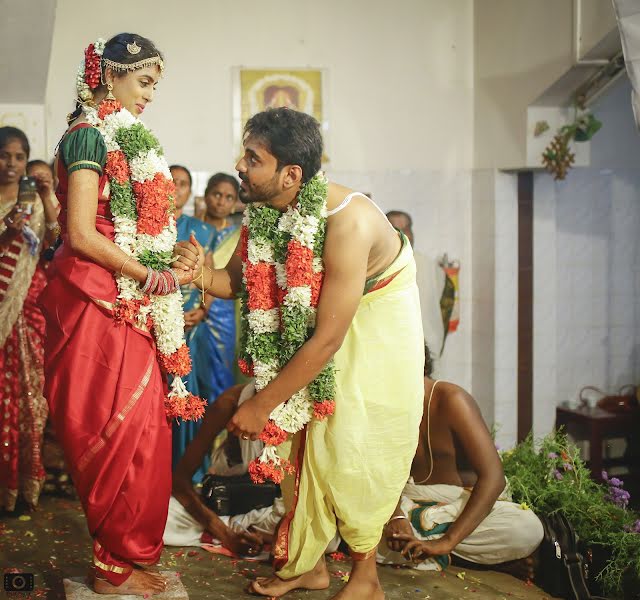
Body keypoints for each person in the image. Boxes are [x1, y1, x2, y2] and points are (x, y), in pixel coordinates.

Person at [191, 107, 424, 600]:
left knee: (349, 437)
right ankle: (309, 565)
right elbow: (233, 281)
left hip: (374, 324)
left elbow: (327, 340)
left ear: (290, 174)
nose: (240, 164)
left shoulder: (349, 221)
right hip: (330, 322)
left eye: (252, 158)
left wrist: (259, 403)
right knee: (302, 433)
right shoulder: (265, 210)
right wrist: (197, 274)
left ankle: (367, 577)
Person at [39, 34, 200, 596]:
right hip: (94, 299)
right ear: (110, 76)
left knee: (143, 427)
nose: (151, 94)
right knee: (113, 428)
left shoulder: (130, 140)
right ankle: (111, 571)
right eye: (145, 81)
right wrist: (147, 274)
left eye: (156, 83)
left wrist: (171, 264)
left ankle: (128, 555)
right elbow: (80, 233)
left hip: (128, 296)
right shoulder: (87, 137)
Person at [380, 344, 543, 570]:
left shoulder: (452, 399)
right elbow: (382, 477)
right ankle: (439, 551)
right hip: (410, 502)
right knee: (347, 519)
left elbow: (494, 479)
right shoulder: (385, 408)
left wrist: (447, 541)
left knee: (526, 529)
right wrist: (396, 518)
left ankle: (438, 548)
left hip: (462, 506)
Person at [0, 127, 59, 512]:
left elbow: (55, 242)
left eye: (19, 157)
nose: (11, 164)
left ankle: (23, 487)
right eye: (5, 155)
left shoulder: (34, 203)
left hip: (28, 305)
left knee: (29, 398)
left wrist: (47, 197)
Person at [169, 164, 216, 481]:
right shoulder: (147, 228)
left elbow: (209, 276)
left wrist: (202, 310)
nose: (177, 188)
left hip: (193, 328)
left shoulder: (201, 229)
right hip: (158, 325)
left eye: (183, 183)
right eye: (171, 182)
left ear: (190, 191)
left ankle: (189, 469)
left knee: (191, 392)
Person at [386, 209, 445, 369]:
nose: (403, 234)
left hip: (428, 346)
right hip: (392, 348)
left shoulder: (430, 266)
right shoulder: (379, 265)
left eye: (406, 229)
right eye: (395, 229)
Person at [201, 173, 241, 402]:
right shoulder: (191, 227)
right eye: (217, 194)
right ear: (206, 195)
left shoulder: (237, 236)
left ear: (235, 202)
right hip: (189, 310)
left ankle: (218, 433)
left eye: (228, 197)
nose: (221, 202)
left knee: (222, 371)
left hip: (223, 315)